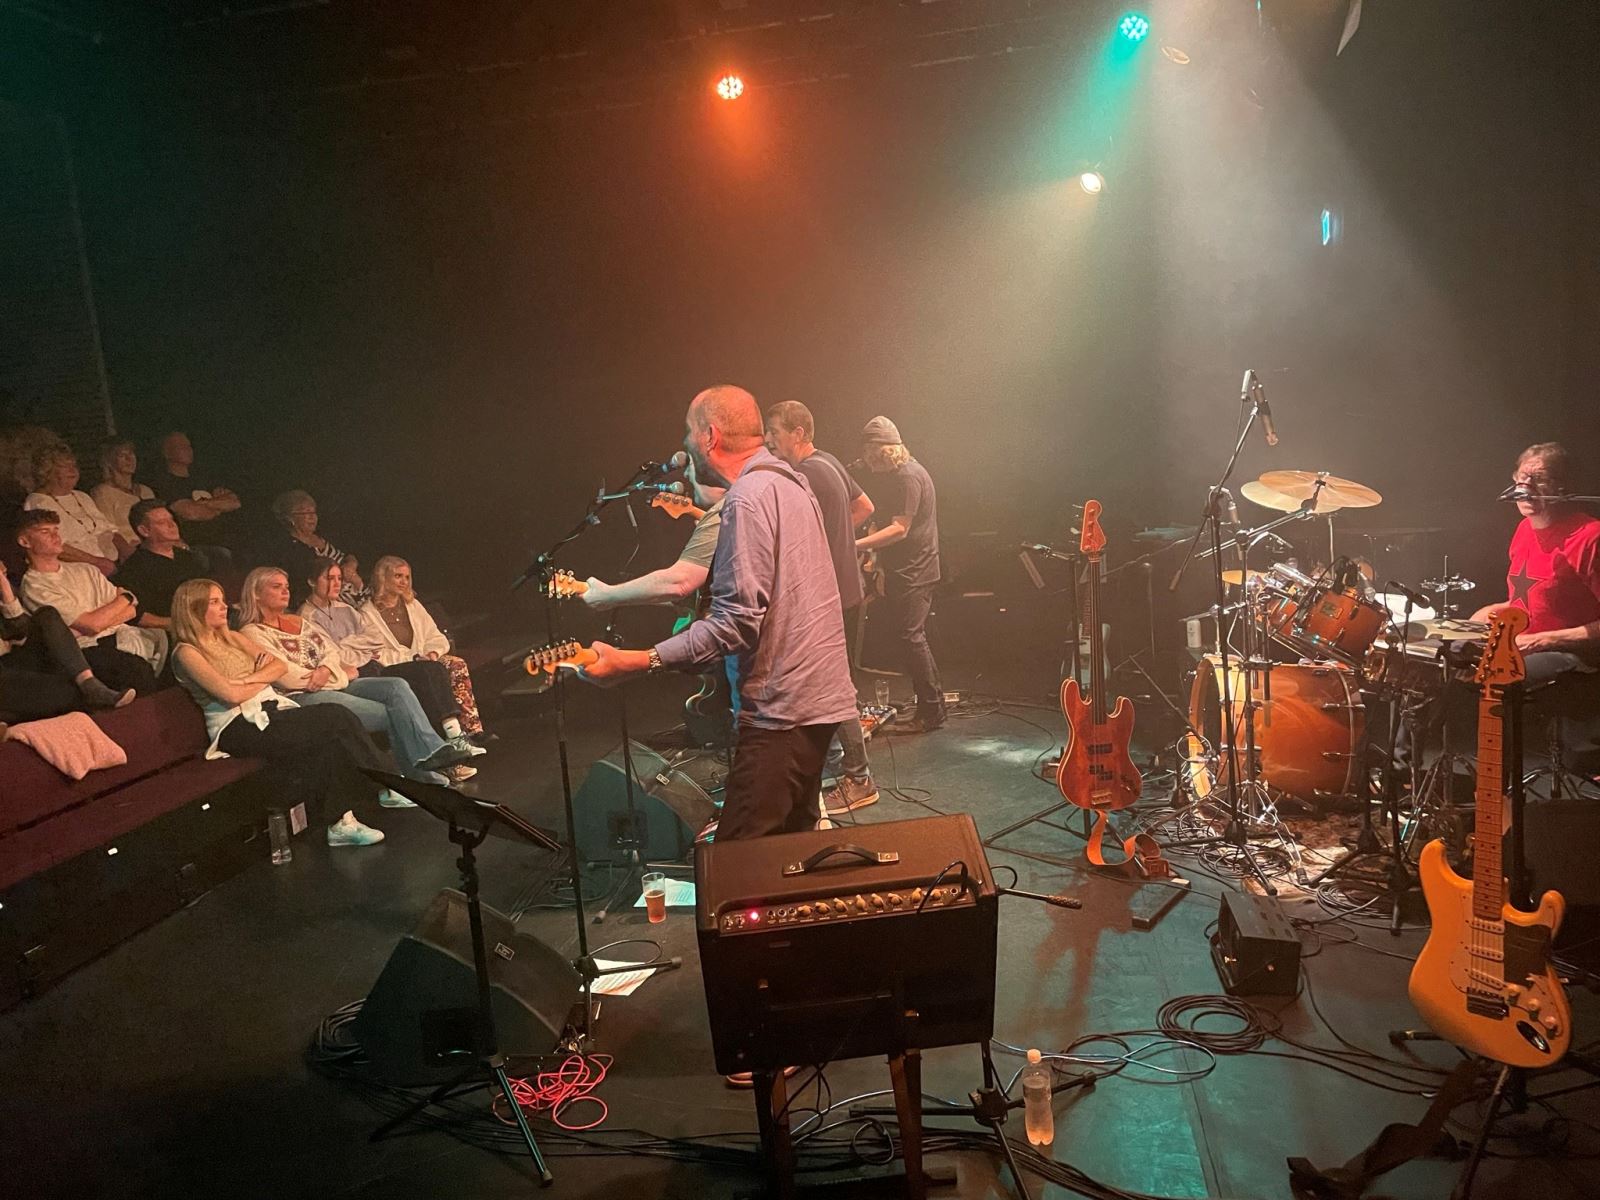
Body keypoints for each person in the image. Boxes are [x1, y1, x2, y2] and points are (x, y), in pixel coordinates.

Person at [572, 384, 858, 842]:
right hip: (821, 702)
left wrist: (639, 660)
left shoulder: (748, 499)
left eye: (688, 432)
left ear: (710, 436)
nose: (684, 444)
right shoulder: (791, 483)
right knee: (792, 851)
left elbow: (737, 622)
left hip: (782, 713)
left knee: (737, 871)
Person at [169, 578, 395, 847]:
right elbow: (230, 696)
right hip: (237, 726)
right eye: (214, 601)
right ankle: (387, 785)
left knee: (328, 738)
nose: (224, 606)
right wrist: (254, 679)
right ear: (193, 608)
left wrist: (244, 680)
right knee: (336, 716)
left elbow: (277, 667)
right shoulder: (186, 652)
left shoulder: (234, 638)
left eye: (222, 599)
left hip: (270, 710)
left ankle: (342, 822)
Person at [239, 567, 476, 784]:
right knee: (389, 712)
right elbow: (288, 677)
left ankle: (430, 754)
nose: (285, 591)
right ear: (256, 594)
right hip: (301, 696)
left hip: (333, 683)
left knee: (396, 686)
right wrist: (336, 674)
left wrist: (326, 670)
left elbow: (330, 650)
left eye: (286, 586)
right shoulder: (252, 633)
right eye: (276, 586)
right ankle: (404, 780)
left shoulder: (297, 622)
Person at [764, 399, 879, 814]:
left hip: (826, 597)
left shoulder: (805, 473)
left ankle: (858, 778)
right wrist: (836, 535)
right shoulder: (828, 461)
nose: (768, 440)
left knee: (833, 687)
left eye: (774, 432)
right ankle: (839, 768)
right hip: (847, 591)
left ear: (798, 432)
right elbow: (866, 507)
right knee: (830, 682)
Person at [299, 559, 479, 757]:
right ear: (312, 581)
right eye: (329, 578)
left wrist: (351, 644)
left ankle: (455, 738)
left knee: (433, 668)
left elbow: (374, 639)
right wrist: (358, 645)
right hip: (359, 673)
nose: (336, 584)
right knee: (411, 681)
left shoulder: (345, 608)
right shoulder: (308, 617)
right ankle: (441, 748)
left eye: (339, 578)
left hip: (373, 665)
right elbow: (336, 655)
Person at [1469, 442, 1600, 683]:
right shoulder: (1524, 529)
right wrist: (1493, 611)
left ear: (1562, 487)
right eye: (1522, 478)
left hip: (1576, 656)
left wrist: (1543, 640)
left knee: (1498, 679)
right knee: (1452, 664)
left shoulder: (1591, 537)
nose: (1526, 488)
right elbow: (1539, 599)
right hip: (1522, 645)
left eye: (1539, 479)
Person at [855, 416, 946, 733]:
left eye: (870, 456)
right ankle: (931, 706)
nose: (868, 464)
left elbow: (899, 529)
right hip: (909, 569)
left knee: (912, 637)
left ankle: (932, 711)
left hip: (915, 571)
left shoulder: (908, 478)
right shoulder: (906, 473)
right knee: (911, 638)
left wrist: (855, 544)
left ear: (880, 451)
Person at [14, 509, 164, 694]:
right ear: (25, 541)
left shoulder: (86, 570)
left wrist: (104, 617)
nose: (56, 536)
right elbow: (91, 625)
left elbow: (131, 611)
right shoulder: (35, 585)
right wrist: (126, 597)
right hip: (89, 649)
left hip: (124, 634)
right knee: (135, 670)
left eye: (56, 530)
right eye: (45, 532)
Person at [361, 556, 488, 744]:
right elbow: (377, 653)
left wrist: (432, 653)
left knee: (455, 664)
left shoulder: (413, 605)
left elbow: (435, 636)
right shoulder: (367, 613)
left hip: (425, 661)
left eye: (407, 577)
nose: (404, 582)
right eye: (398, 576)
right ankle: (450, 734)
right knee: (429, 671)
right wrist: (413, 658)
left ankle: (471, 730)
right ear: (383, 577)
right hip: (395, 667)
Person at [2, 558, 134, 724]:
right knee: (66, 692)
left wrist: (3, 584)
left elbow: (19, 631)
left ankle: (89, 684)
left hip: (17, 659)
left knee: (47, 614)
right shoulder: (33, 583)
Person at [24, 446, 129, 573]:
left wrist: (126, 551)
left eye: (74, 465)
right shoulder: (38, 501)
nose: (73, 470)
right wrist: (96, 562)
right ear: (48, 472)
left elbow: (109, 529)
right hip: (78, 569)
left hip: (112, 563)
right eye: (65, 466)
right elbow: (52, 545)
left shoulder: (82, 496)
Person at [113, 500, 210, 629]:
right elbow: (135, 614)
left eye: (171, 519)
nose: (172, 525)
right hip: (176, 631)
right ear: (144, 531)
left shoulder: (189, 557)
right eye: (161, 522)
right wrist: (178, 624)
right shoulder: (135, 568)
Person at [267, 490, 369, 607]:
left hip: (361, 590)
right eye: (306, 513)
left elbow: (350, 554)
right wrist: (348, 578)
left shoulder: (325, 535)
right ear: (291, 518)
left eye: (314, 512)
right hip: (335, 602)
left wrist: (351, 564)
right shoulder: (291, 548)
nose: (312, 517)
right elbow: (310, 581)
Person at [150, 431, 243, 547]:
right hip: (197, 544)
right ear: (166, 452)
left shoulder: (205, 479)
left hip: (229, 540)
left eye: (189, 446)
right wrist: (219, 507)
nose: (188, 450)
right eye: (182, 446)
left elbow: (234, 502)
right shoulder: (165, 484)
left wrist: (202, 503)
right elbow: (190, 513)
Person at [89, 438, 157, 545]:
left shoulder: (146, 491)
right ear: (110, 461)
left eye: (131, 454)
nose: (129, 459)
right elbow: (107, 530)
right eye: (122, 456)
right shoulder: (103, 492)